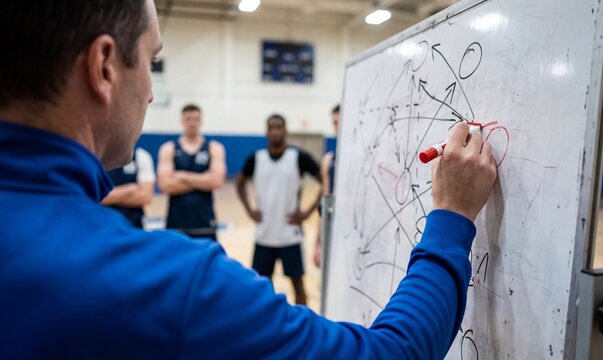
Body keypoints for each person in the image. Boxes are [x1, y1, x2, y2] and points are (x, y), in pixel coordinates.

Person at [0, 1, 498, 358]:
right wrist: (451, 216)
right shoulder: (169, 286)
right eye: (151, 62)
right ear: (104, 66)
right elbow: (390, 353)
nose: (151, 92)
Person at [236, 114, 322, 306]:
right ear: (266, 132)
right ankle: (261, 324)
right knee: (259, 285)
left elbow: (324, 183)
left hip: (290, 234)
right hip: (264, 234)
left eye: (279, 127)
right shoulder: (256, 158)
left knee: (298, 285)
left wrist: (307, 212)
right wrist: (249, 210)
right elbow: (239, 183)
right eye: (271, 128)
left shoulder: (299, 157)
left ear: (285, 130)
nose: (275, 131)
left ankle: (303, 326)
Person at [157, 104, 226, 241]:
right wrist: (203, 179)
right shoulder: (168, 149)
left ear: (201, 121)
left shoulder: (214, 148)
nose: (192, 123)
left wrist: (182, 176)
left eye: (196, 119)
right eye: (189, 119)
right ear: (182, 121)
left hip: (205, 222)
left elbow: (216, 181)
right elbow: (165, 186)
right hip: (176, 222)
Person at [101, 147, 156, 228]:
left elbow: (145, 197)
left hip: (133, 226)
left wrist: (108, 195)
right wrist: (130, 190)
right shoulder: (96, 155)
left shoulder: (141, 155)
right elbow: (90, 197)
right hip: (102, 226)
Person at [314, 104, 340, 268]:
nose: (337, 127)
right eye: (335, 123)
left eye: (340, 122)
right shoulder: (329, 160)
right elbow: (324, 205)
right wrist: (318, 242)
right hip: (333, 232)